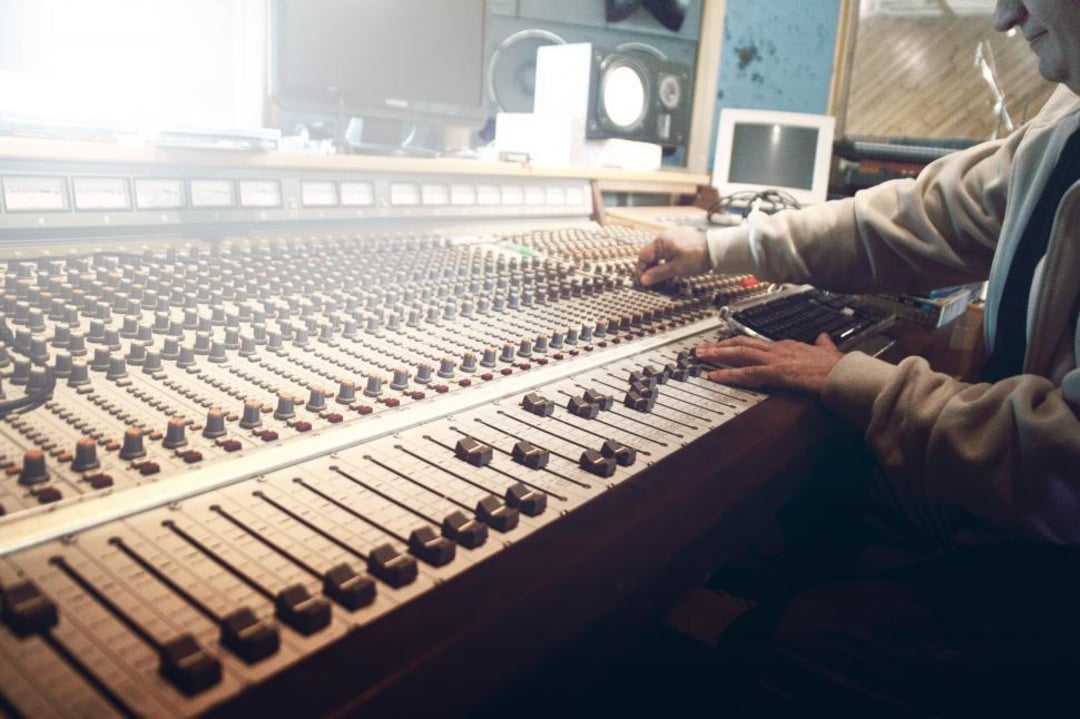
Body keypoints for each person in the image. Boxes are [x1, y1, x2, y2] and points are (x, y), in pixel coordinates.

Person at [636, 0, 1080, 713]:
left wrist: (853, 378)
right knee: (829, 478)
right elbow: (913, 218)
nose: (1004, 14)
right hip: (1016, 518)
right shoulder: (1066, 123)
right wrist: (718, 248)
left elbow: (1066, 464)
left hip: (1058, 580)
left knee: (799, 638)